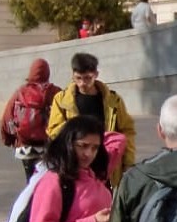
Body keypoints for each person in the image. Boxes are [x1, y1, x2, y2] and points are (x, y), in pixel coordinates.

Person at [47, 53, 138, 187]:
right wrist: (75, 134)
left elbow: (127, 130)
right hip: (75, 162)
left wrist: (128, 161)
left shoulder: (113, 100)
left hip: (106, 161)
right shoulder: (61, 100)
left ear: (96, 74)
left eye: (87, 78)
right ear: (73, 75)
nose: (82, 83)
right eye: (78, 78)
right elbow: (53, 130)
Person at [2, 59, 63, 180]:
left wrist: (10, 140)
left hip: (26, 146)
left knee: (31, 182)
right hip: (50, 146)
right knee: (49, 182)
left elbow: (7, 118)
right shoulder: (56, 92)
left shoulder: (21, 92)